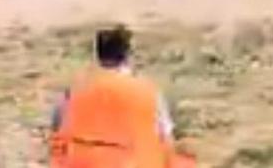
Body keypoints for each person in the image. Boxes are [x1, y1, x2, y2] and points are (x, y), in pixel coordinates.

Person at [48, 25, 196, 168]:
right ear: (127, 55)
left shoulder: (75, 90)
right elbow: (166, 139)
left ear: (98, 54)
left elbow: (57, 132)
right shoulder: (147, 92)